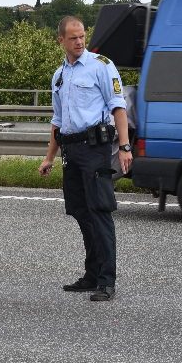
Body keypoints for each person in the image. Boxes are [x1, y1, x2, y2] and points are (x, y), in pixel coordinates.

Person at [38, 16, 132, 302]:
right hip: (71, 150)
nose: (79, 42)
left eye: (82, 37)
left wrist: (125, 148)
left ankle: (106, 280)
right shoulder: (60, 75)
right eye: (73, 38)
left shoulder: (101, 66)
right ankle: (91, 274)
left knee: (100, 211)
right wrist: (49, 158)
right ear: (61, 41)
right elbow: (58, 121)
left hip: (95, 149)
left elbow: (118, 107)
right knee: (81, 212)